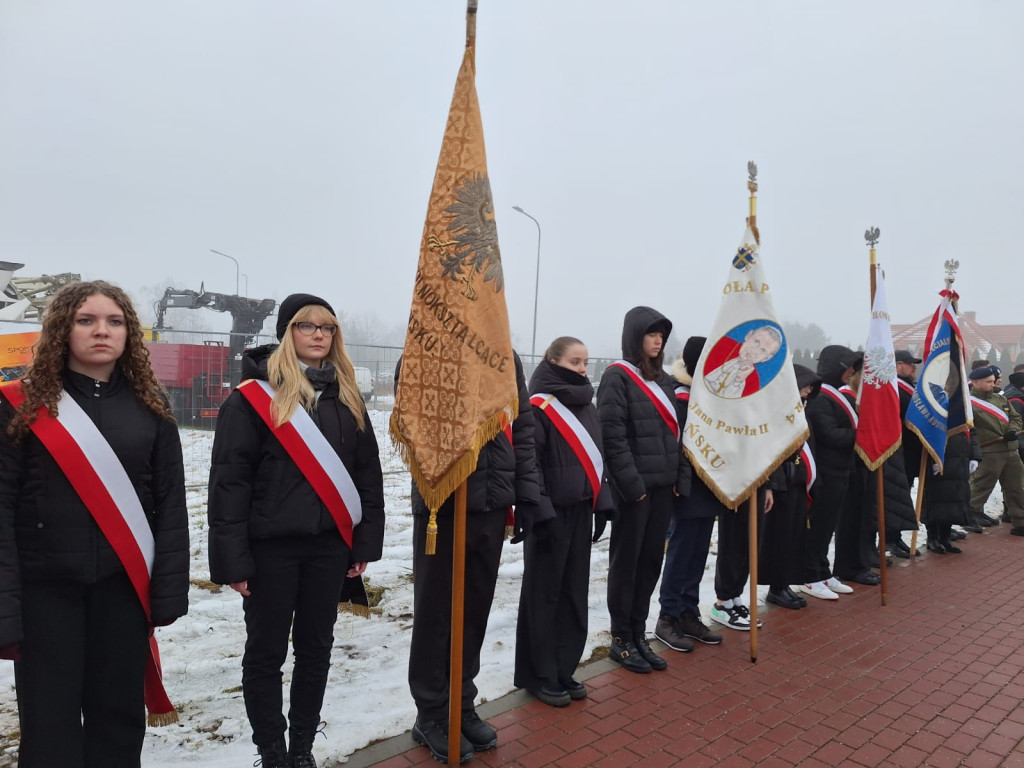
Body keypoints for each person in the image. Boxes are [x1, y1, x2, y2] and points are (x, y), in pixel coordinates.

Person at [0, 280, 189, 768]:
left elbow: (169, 508)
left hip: (123, 593)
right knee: (49, 730)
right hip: (46, 595)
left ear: (129, 333)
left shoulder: (154, 409)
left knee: (119, 723)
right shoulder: (17, 404)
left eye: (114, 321)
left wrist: (167, 591)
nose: (101, 331)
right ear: (62, 329)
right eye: (86, 320)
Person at [208, 293, 385, 768]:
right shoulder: (251, 399)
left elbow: (367, 477)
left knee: (316, 648)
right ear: (287, 333)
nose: (318, 335)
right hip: (269, 552)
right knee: (265, 654)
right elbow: (229, 484)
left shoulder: (348, 398)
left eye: (327, 328)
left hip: (329, 549)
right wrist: (232, 562)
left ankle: (302, 746)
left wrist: (363, 542)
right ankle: (272, 750)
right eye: (307, 326)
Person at [398, 350, 542, 763]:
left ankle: (462, 702)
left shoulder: (504, 352)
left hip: (493, 503)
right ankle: (430, 712)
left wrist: (527, 495)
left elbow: (523, 425)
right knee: (436, 613)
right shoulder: (426, 341)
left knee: (473, 611)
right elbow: (413, 415)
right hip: (443, 504)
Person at [515, 337, 614, 707]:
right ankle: (539, 673)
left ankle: (564, 666)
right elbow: (530, 463)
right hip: (550, 515)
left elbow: (597, 458)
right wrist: (539, 511)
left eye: (586, 363)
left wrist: (602, 504)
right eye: (575, 362)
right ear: (553, 361)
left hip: (580, 513)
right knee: (544, 595)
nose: (582, 370)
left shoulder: (586, 404)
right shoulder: (538, 405)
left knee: (573, 593)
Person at [598, 306, 690, 672]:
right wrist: (633, 487)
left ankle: (638, 633)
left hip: (664, 491)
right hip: (635, 494)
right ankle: (620, 638)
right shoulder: (617, 378)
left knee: (650, 564)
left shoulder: (665, 381)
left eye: (661, 335)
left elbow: (678, 437)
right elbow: (613, 436)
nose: (658, 340)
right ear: (635, 337)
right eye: (652, 334)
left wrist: (678, 480)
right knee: (627, 566)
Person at [655, 337, 724, 651]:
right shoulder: (679, 396)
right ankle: (667, 617)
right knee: (681, 554)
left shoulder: (713, 397)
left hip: (710, 487)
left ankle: (688, 613)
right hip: (685, 489)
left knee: (697, 555)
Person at [800, 345, 865, 599]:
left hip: (840, 471)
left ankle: (823, 570)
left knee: (828, 527)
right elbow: (829, 435)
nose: (851, 371)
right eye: (848, 366)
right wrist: (862, 434)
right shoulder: (820, 398)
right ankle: (809, 575)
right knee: (818, 527)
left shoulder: (837, 395)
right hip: (824, 473)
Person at [759, 364, 820, 610]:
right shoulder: (775, 410)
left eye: (809, 389)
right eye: (804, 387)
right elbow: (769, 449)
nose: (807, 393)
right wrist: (771, 484)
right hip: (780, 483)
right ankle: (776, 586)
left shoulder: (800, 411)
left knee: (793, 536)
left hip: (796, 482)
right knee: (779, 538)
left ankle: (784, 584)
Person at [966, 365, 1024, 536]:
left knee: (1017, 487)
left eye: (993, 381)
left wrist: (1012, 430)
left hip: (1010, 451)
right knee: (980, 487)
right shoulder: (969, 403)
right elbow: (969, 429)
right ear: (975, 382)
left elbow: (1015, 417)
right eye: (988, 382)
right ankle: (969, 517)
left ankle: (1020, 521)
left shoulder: (1001, 399)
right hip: (989, 451)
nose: (993, 384)